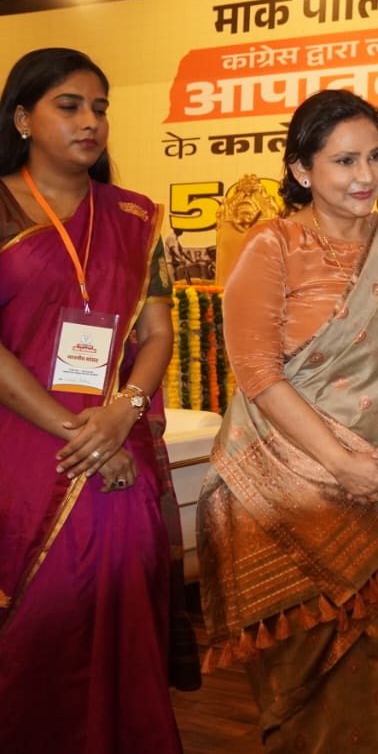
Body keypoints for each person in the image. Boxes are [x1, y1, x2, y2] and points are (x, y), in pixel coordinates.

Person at [197, 89, 378, 752]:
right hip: (287, 495)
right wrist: (342, 464)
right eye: (344, 161)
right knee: (304, 685)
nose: (366, 175)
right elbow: (258, 373)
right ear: (302, 170)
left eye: (375, 156)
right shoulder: (273, 247)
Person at [0, 48, 183, 752]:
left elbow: (158, 333)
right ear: (23, 118)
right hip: (25, 454)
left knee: (123, 619)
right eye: (69, 105)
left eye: (100, 108)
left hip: (118, 452)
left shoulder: (135, 217)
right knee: (35, 636)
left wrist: (122, 411)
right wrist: (78, 431)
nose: (90, 121)